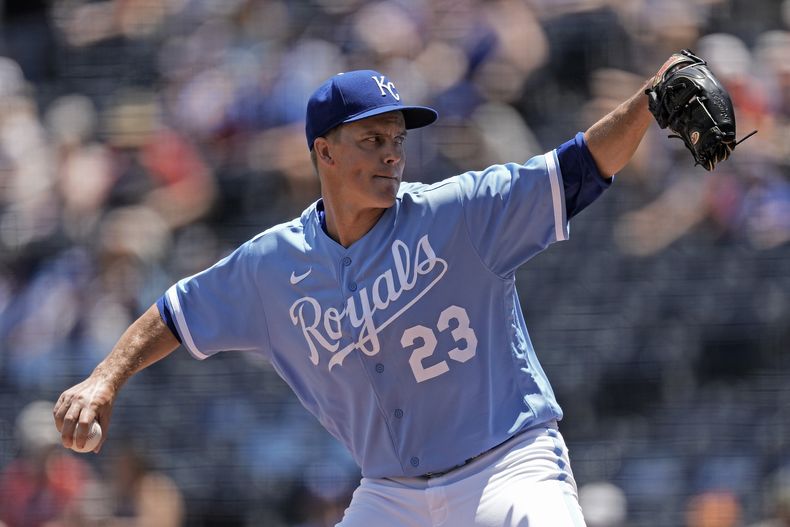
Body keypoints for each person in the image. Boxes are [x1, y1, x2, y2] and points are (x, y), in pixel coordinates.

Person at [54, 63, 656, 525]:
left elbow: (577, 169)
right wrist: (105, 378)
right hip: (391, 494)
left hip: (507, 464)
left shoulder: (457, 213)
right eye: (371, 138)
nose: (392, 152)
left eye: (398, 138)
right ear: (325, 151)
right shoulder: (272, 265)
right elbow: (175, 313)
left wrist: (649, 99)